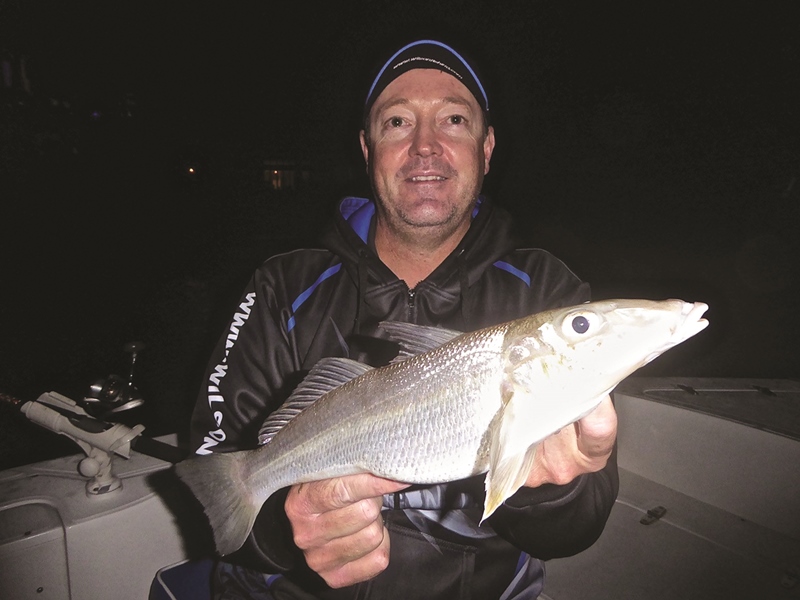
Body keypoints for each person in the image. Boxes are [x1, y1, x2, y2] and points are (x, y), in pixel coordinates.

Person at [189, 38, 619, 600]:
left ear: (486, 149)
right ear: (368, 149)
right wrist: (287, 531)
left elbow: (575, 530)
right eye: (397, 122)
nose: (425, 146)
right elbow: (216, 473)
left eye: (454, 120)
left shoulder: (548, 295)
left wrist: (551, 490)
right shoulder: (282, 287)